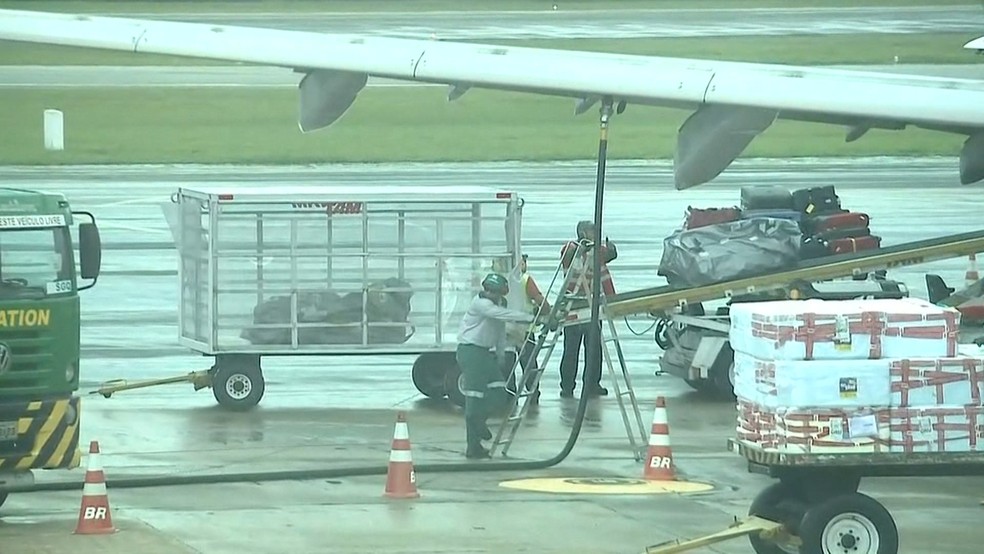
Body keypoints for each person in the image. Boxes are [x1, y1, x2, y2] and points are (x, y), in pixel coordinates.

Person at [455, 272, 536, 459]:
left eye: (496, 292)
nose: (492, 295)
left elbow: (499, 330)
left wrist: (500, 354)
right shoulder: (481, 304)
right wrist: (530, 318)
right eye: (490, 291)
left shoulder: (498, 305)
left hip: (486, 353)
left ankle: (478, 423)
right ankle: (473, 445)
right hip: (471, 351)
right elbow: (499, 314)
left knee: (500, 393)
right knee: (474, 398)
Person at [558, 220, 618, 398]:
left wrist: (610, 247)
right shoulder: (572, 248)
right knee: (571, 350)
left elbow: (610, 255)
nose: (595, 233)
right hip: (574, 306)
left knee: (594, 349)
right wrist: (585, 246)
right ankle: (567, 386)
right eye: (592, 231)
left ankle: (592, 384)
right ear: (583, 232)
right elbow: (567, 253)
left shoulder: (598, 253)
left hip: (592, 307)